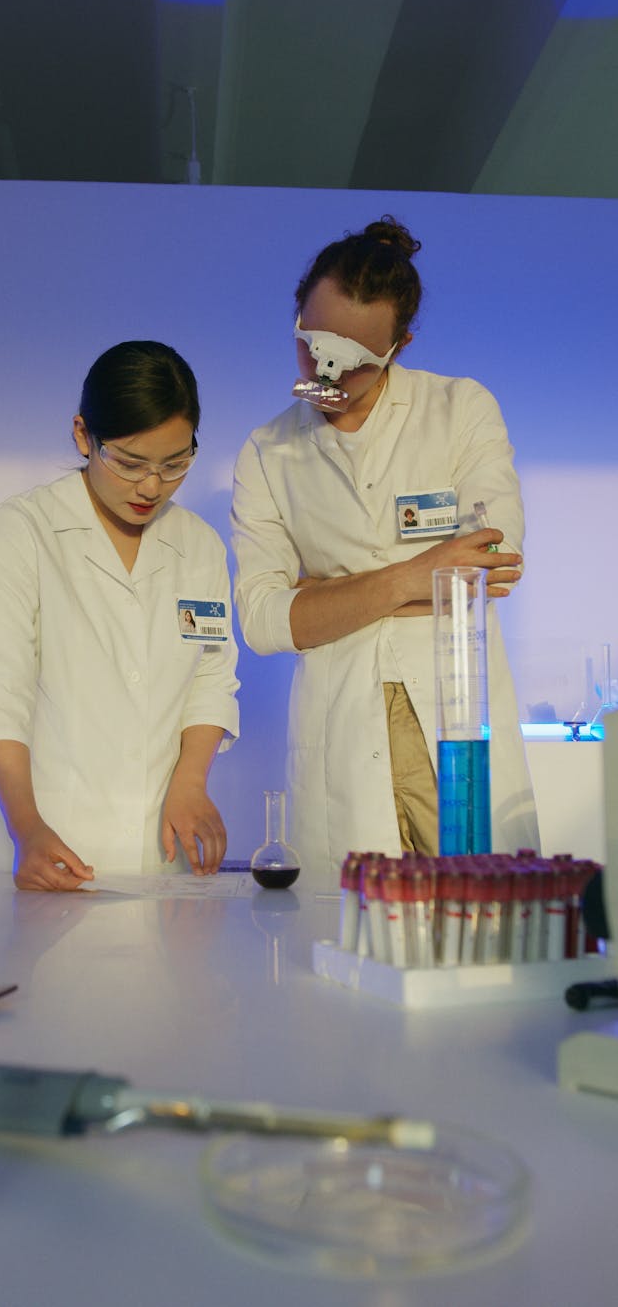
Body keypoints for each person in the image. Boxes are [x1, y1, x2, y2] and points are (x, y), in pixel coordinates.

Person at [231, 216, 539, 878]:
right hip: (343, 737)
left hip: (454, 722)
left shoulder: (459, 409)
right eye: (311, 345)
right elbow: (261, 621)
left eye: (356, 360)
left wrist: (322, 599)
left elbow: (491, 559)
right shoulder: (267, 451)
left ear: (398, 346)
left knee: (479, 939)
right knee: (346, 957)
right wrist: (419, 574)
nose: (327, 371)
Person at [0, 340, 240, 890]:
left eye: (176, 464)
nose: (151, 486)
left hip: (159, 852)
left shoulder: (200, 545)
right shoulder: (25, 528)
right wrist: (28, 829)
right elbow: (0, 690)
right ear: (82, 435)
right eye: (131, 463)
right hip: (45, 841)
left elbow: (211, 674)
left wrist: (191, 781)